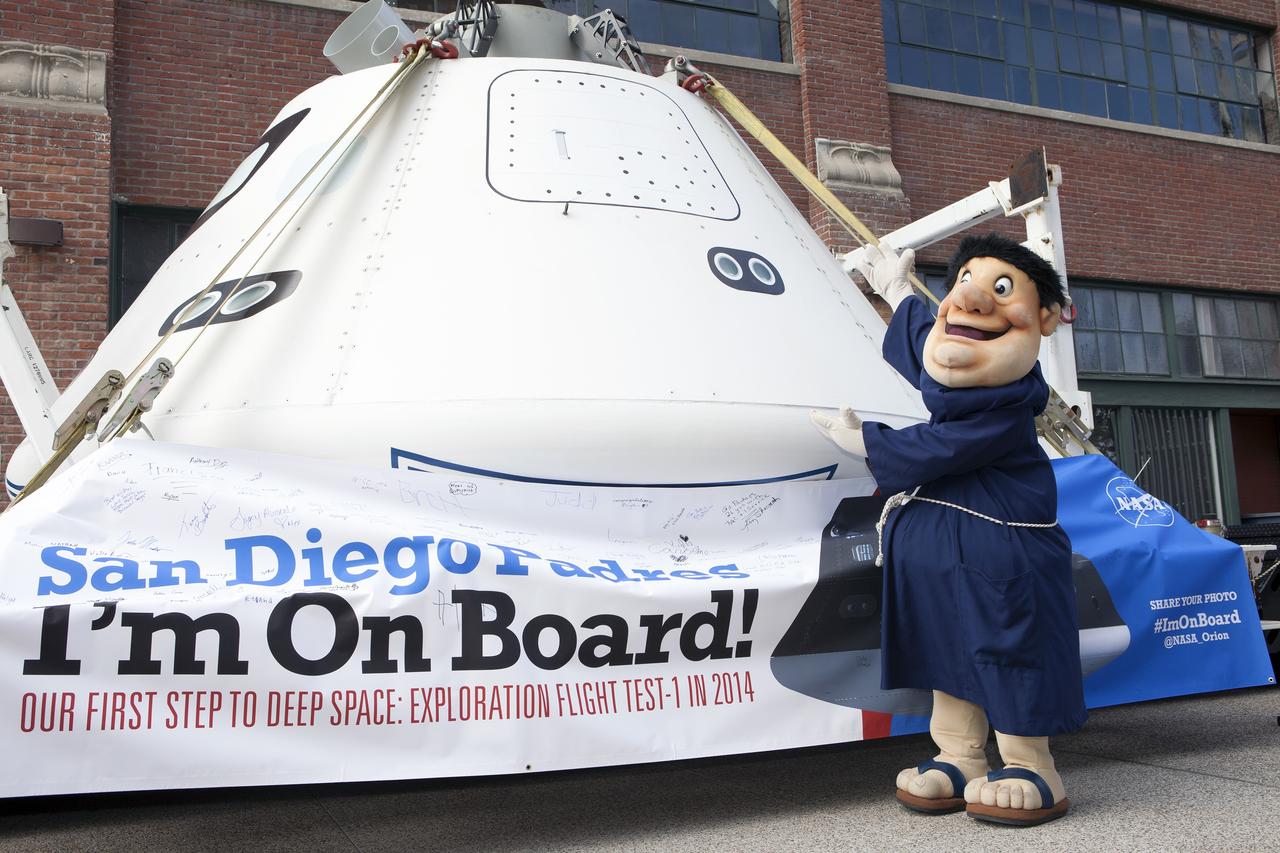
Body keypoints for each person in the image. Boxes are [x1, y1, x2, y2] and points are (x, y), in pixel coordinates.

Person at [810, 234, 1086, 827]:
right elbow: (926, 343)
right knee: (945, 650)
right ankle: (960, 757)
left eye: (1001, 290)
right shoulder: (956, 363)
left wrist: (868, 442)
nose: (973, 300)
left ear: (1043, 321)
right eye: (965, 282)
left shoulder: (1006, 407)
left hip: (1002, 560)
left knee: (1006, 650)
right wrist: (891, 288)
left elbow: (939, 449)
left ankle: (1029, 765)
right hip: (941, 559)